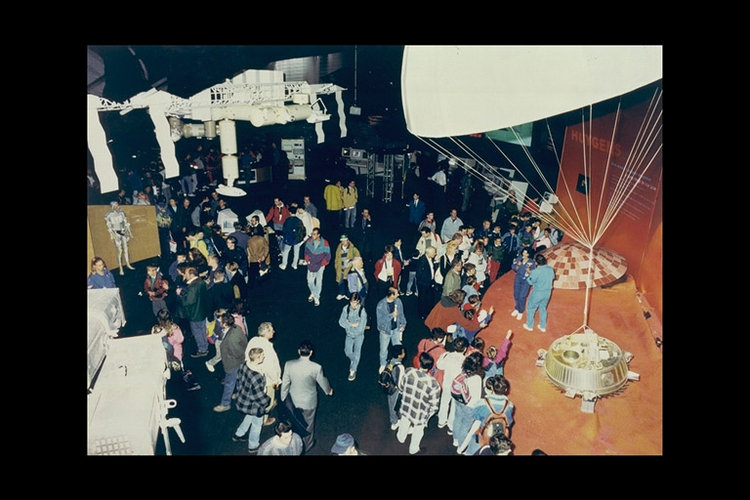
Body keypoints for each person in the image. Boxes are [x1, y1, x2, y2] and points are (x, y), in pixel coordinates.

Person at [280, 339, 334, 453]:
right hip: (309, 401)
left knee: (294, 422)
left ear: (299, 351)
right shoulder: (316, 367)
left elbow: (285, 383)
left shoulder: (289, 364)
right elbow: (322, 381)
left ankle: (294, 443)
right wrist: (328, 391)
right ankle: (307, 446)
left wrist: (283, 398)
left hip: (293, 400)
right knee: (308, 424)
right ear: (311, 353)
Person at [395, 351, 441, 455]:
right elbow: (434, 406)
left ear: (419, 363)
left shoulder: (408, 371)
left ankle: (401, 437)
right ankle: (413, 449)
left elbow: (401, 387)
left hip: (406, 406)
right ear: (430, 367)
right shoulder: (433, 384)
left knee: (404, 422)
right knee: (418, 431)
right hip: (420, 413)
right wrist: (428, 416)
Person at [459, 374, 515, 455]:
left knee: (474, 449)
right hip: (500, 435)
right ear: (506, 390)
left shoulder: (482, 403)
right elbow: (509, 421)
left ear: (492, 389)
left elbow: (475, 416)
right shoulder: (510, 405)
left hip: (484, 433)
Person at [232, 347, 272, 453]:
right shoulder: (257, 376)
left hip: (244, 399)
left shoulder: (244, 364)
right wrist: (268, 402)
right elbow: (258, 396)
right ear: (258, 358)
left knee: (249, 416)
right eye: (262, 355)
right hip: (254, 404)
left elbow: (239, 379)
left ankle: (238, 434)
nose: (264, 356)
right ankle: (253, 445)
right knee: (257, 424)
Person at [246, 321, 283, 426]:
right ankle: (264, 419)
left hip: (253, 376)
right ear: (266, 333)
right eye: (271, 330)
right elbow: (270, 368)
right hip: (267, 380)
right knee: (268, 399)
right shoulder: (267, 348)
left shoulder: (253, 340)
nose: (274, 331)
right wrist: (276, 380)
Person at [213, 312, 249, 412]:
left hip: (233, 363)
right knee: (238, 379)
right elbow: (244, 341)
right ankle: (239, 393)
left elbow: (236, 352)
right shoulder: (236, 328)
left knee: (229, 383)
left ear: (224, 324)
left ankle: (225, 404)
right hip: (238, 361)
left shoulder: (231, 339)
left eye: (220, 321)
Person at [450, 353, 484, 451]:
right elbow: (476, 397)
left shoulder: (463, 371)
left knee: (457, 418)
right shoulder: (477, 378)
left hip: (459, 400)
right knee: (465, 426)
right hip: (469, 406)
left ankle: (455, 439)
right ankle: (461, 445)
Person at [175, 266, 210, 358]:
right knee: (202, 330)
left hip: (195, 314)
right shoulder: (201, 282)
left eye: (186, 273)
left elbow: (188, 301)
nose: (184, 275)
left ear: (191, 274)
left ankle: (202, 350)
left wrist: (180, 293)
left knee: (197, 332)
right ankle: (205, 346)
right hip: (201, 311)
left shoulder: (193, 286)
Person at [435, 336, 469, 433]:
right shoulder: (465, 360)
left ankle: (441, 421)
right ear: (465, 348)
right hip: (457, 388)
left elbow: (439, 365)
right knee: (454, 406)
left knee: (444, 402)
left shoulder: (448, 356)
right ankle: (451, 426)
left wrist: (443, 356)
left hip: (446, 384)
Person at [375, 287, 407, 373]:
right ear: (392, 295)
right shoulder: (381, 305)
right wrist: (391, 315)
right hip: (385, 331)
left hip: (396, 329)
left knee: (397, 348)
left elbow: (401, 314)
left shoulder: (398, 301)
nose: (398, 294)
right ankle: (382, 364)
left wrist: (403, 324)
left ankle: (396, 363)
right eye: (397, 293)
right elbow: (380, 321)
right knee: (383, 349)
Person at [523, 253, 556, 333]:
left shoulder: (535, 271)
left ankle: (529, 326)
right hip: (547, 293)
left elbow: (530, 282)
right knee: (543, 308)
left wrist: (529, 273)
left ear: (536, 263)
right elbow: (552, 277)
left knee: (531, 308)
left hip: (537, 292)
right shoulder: (550, 269)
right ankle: (542, 326)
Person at [338, 292, 368, 381]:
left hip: (359, 336)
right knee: (347, 351)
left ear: (358, 301)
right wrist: (351, 324)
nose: (353, 304)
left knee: (357, 352)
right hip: (349, 335)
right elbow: (340, 322)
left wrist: (347, 323)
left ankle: (353, 370)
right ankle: (354, 360)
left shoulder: (362, 311)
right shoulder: (346, 309)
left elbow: (361, 328)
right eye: (351, 302)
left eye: (354, 302)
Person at [104, 201, 136, 275]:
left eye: (117, 205)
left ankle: (128, 264)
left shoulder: (122, 213)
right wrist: (114, 236)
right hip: (116, 233)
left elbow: (126, 223)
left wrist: (129, 233)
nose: (117, 207)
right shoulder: (109, 215)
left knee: (126, 249)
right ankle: (120, 268)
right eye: (115, 206)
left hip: (123, 232)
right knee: (120, 251)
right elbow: (109, 227)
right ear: (112, 206)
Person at [302, 227, 331, 306]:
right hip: (311, 264)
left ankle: (317, 297)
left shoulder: (325, 243)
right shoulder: (309, 241)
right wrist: (307, 260)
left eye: (314, 234)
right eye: (312, 234)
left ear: (318, 235)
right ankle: (313, 293)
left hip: (320, 265)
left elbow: (328, 256)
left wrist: (321, 264)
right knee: (309, 281)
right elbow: (306, 252)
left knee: (318, 281)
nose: (312, 235)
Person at [382, 343, 407, 431]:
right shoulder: (400, 367)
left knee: (391, 403)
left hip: (389, 387)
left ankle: (394, 420)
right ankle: (395, 421)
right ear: (399, 355)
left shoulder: (390, 361)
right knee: (396, 405)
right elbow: (400, 382)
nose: (405, 353)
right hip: (395, 390)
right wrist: (402, 390)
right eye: (403, 352)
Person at [511, 248, 536, 322]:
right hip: (518, 278)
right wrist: (517, 266)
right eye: (523, 253)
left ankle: (520, 311)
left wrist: (528, 269)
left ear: (529, 254)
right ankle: (517, 307)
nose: (524, 255)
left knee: (522, 296)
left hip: (526, 280)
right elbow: (513, 267)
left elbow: (533, 273)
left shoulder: (532, 262)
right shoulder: (519, 259)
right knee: (516, 294)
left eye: (526, 253)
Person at [278, 206, 306, 271]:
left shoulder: (287, 220)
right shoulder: (299, 220)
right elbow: (302, 229)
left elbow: (284, 230)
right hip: (297, 239)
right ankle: (295, 265)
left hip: (289, 239)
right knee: (296, 252)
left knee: (286, 252)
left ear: (290, 212)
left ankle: (284, 264)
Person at [415, 246, 438, 320]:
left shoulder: (430, 258)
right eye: (434, 252)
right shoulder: (422, 260)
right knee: (422, 299)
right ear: (428, 253)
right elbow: (418, 274)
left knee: (428, 298)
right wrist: (424, 283)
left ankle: (428, 312)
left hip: (429, 282)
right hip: (423, 284)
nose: (435, 254)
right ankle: (421, 314)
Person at [334, 235, 360, 300]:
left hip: (349, 269)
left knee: (350, 283)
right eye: (342, 241)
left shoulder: (353, 248)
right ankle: (341, 293)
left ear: (348, 240)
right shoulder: (339, 248)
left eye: (345, 241)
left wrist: (351, 261)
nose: (343, 242)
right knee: (340, 282)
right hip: (341, 269)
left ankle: (349, 295)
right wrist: (336, 266)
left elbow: (358, 257)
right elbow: (337, 258)